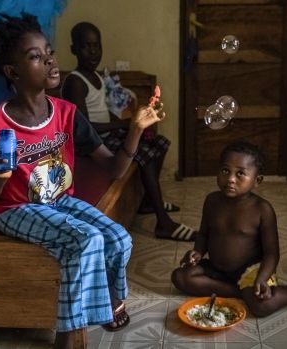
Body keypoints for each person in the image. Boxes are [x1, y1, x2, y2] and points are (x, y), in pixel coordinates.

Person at [0, 14, 163, 348]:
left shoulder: (66, 114)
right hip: (16, 208)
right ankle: (67, 335)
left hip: (58, 200)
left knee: (118, 238)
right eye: (35, 56)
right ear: (12, 72)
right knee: (87, 239)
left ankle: (111, 301)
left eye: (49, 51)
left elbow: (115, 169)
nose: (49, 60)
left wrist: (135, 129)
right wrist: (1, 178)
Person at [61, 21, 196, 242]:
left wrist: (129, 123)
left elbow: (102, 114)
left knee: (158, 143)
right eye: (86, 46)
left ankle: (146, 201)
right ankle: (163, 223)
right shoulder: (75, 82)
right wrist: (127, 126)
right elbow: (85, 128)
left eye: (97, 45)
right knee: (144, 154)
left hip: (106, 135)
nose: (93, 51)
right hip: (92, 143)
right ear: (74, 49)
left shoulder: (97, 76)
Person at [172, 142, 287, 317]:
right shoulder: (211, 201)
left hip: (250, 271)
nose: (231, 179)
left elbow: (272, 253)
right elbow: (204, 234)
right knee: (180, 277)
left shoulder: (262, 209)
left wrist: (262, 278)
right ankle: (240, 292)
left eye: (240, 173)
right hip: (216, 268)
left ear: (257, 180)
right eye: (225, 171)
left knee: (262, 307)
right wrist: (196, 252)